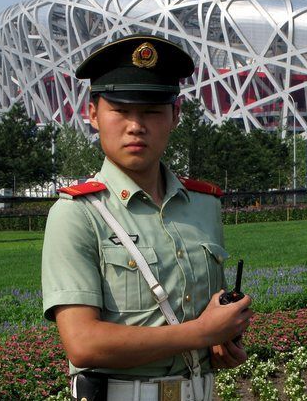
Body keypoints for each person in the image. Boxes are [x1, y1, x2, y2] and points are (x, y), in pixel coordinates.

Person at [41, 34, 253, 401]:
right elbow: (83, 344)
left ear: (176, 114)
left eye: (152, 111)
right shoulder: (77, 214)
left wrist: (221, 342)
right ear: (93, 114)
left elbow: (204, 315)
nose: (136, 125)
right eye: (121, 110)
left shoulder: (204, 205)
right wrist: (202, 333)